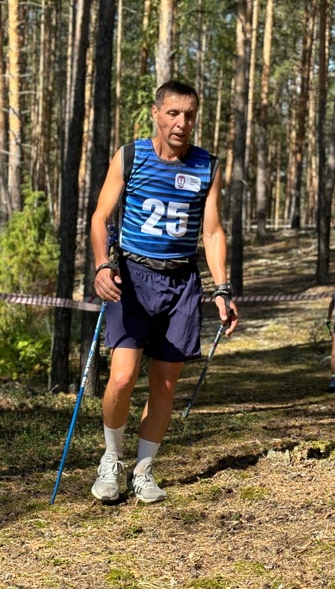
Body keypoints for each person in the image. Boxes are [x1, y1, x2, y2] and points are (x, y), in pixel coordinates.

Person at [89, 81, 238, 504]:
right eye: (173, 113)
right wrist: (103, 265)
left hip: (181, 283)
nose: (181, 123)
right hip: (132, 279)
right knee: (121, 378)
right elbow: (100, 217)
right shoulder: (131, 156)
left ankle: (143, 469)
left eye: (189, 115)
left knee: (165, 384)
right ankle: (112, 459)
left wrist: (221, 288)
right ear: (155, 112)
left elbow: (211, 232)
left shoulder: (207, 165)